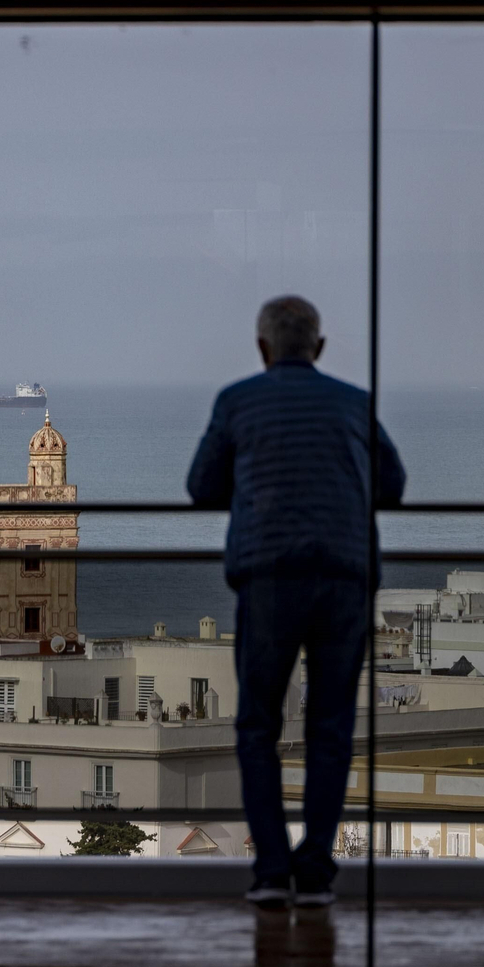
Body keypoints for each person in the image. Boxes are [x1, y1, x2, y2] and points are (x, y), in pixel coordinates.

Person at [186, 296, 405, 909]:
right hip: (344, 577)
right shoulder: (353, 402)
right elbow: (394, 483)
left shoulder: (237, 401)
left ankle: (269, 871)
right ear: (320, 347)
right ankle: (315, 872)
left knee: (258, 725)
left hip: (270, 578)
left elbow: (202, 487)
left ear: (262, 349)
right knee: (330, 727)